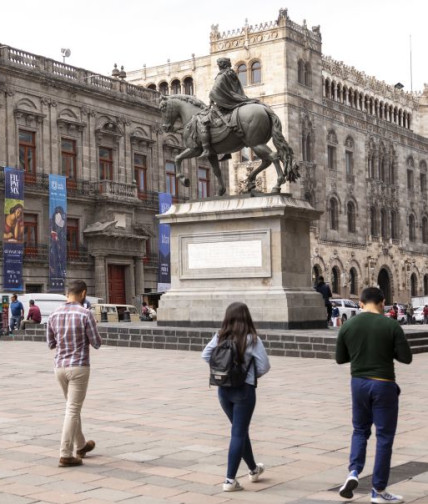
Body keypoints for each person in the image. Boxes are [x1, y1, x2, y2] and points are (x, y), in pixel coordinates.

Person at [336, 287, 412, 504]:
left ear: (360, 303)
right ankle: (378, 490)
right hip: (383, 383)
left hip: (358, 383)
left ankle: (353, 472)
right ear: (382, 302)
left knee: (360, 430)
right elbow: (406, 358)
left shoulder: (348, 325)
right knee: (384, 437)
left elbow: (340, 358)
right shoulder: (390, 324)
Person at [201, 302, 271, 492]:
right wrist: (247, 374)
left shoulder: (220, 336)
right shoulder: (252, 339)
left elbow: (205, 355)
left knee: (239, 430)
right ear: (247, 317)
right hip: (244, 391)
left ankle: (253, 469)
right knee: (238, 433)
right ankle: (230, 480)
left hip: (223, 390)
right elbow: (264, 366)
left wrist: (223, 369)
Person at [47, 280, 102, 467]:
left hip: (59, 367)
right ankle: (65, 453)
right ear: (83, 293)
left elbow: (51, 344)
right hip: (78, 367)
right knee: (72, 409)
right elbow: (96, 342)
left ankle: (81, 445)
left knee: (73, 407)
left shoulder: (54, 314)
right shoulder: (85, 314)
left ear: (67, 293)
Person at [198, 57, 257, 158]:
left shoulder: (222, 75)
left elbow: (215, 90)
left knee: (204, 121)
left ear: (223, 65)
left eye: (219, 64)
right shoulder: (231, 73)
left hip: (226, 102)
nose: (218, 66)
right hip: (234, 99)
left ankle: (207, 150)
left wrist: (212, 97)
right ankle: (226, 151)